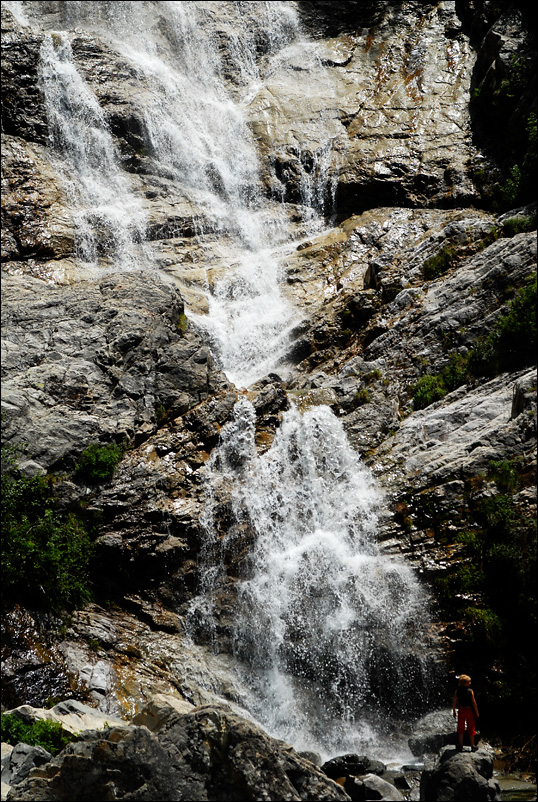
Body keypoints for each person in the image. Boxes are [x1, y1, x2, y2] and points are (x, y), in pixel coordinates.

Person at [452, 674, 479, 751]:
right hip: (469, 710)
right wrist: (476, 712)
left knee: (460, 728)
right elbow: (474, 703)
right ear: (464, 683)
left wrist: (454, 711)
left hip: (461, 710)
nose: (470, 683)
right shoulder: (470, 691)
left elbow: (454, 702)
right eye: (468, 682)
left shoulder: (457, 691)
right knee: (471, 727)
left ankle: (460, 745)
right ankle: (473, 746)